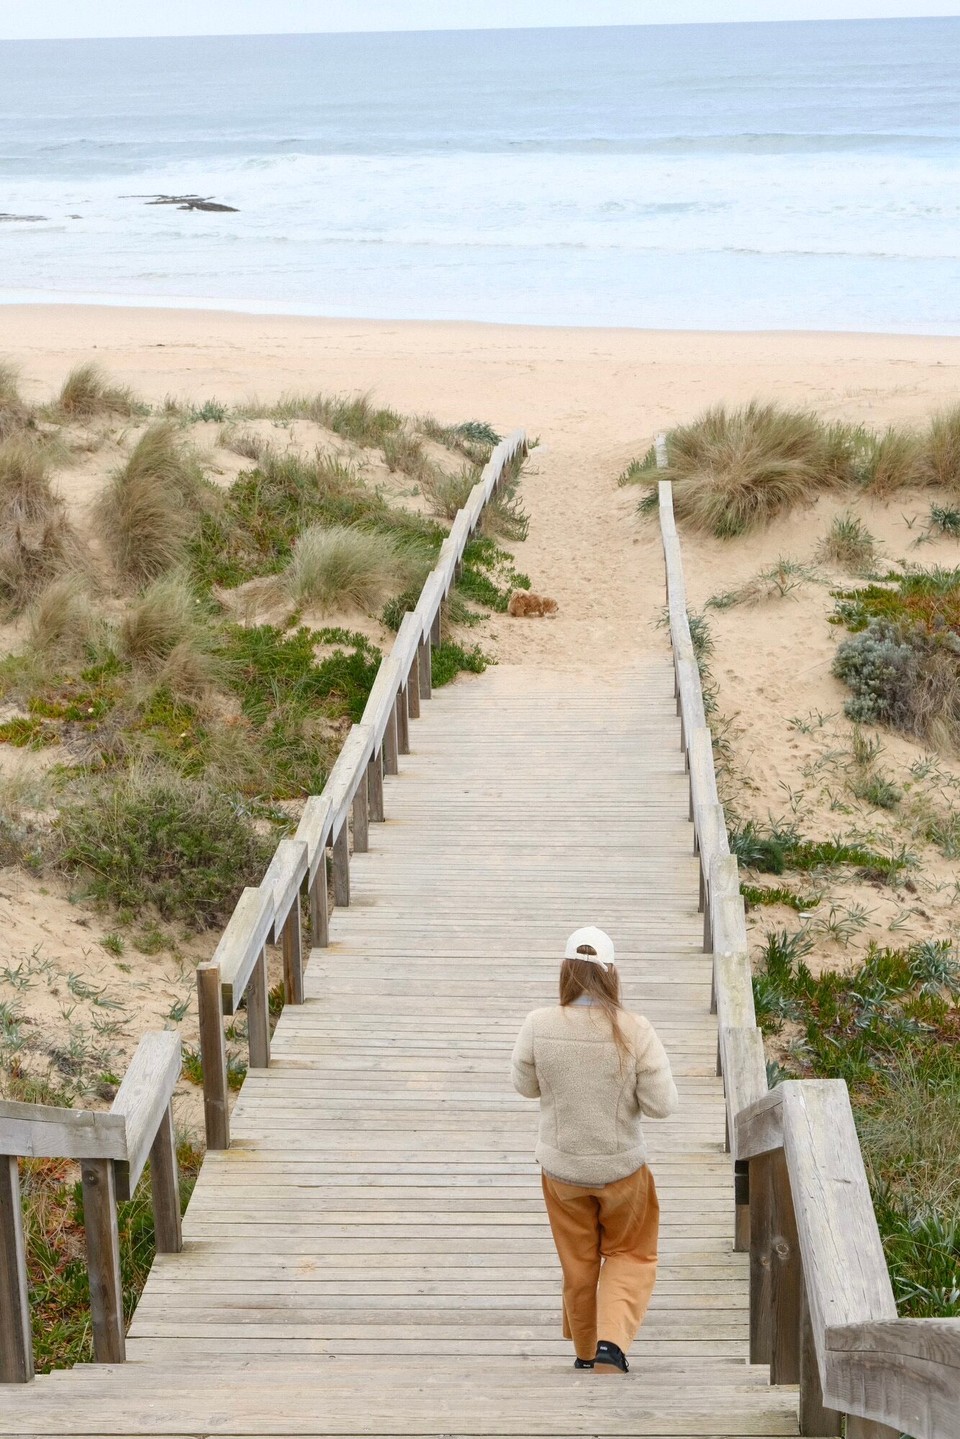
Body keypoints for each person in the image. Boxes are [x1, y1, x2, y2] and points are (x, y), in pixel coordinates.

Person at [510, 925, 678, 1374]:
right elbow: (663, 1106)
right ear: (612, 974)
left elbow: (524, 1086)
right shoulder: (635, 1030)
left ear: (566, 971)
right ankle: (611, 1344)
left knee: (578, 1262)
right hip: (622, 1169)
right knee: (630, 1253)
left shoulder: (538, 1024)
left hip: (562, 1171)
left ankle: (585, 1351)